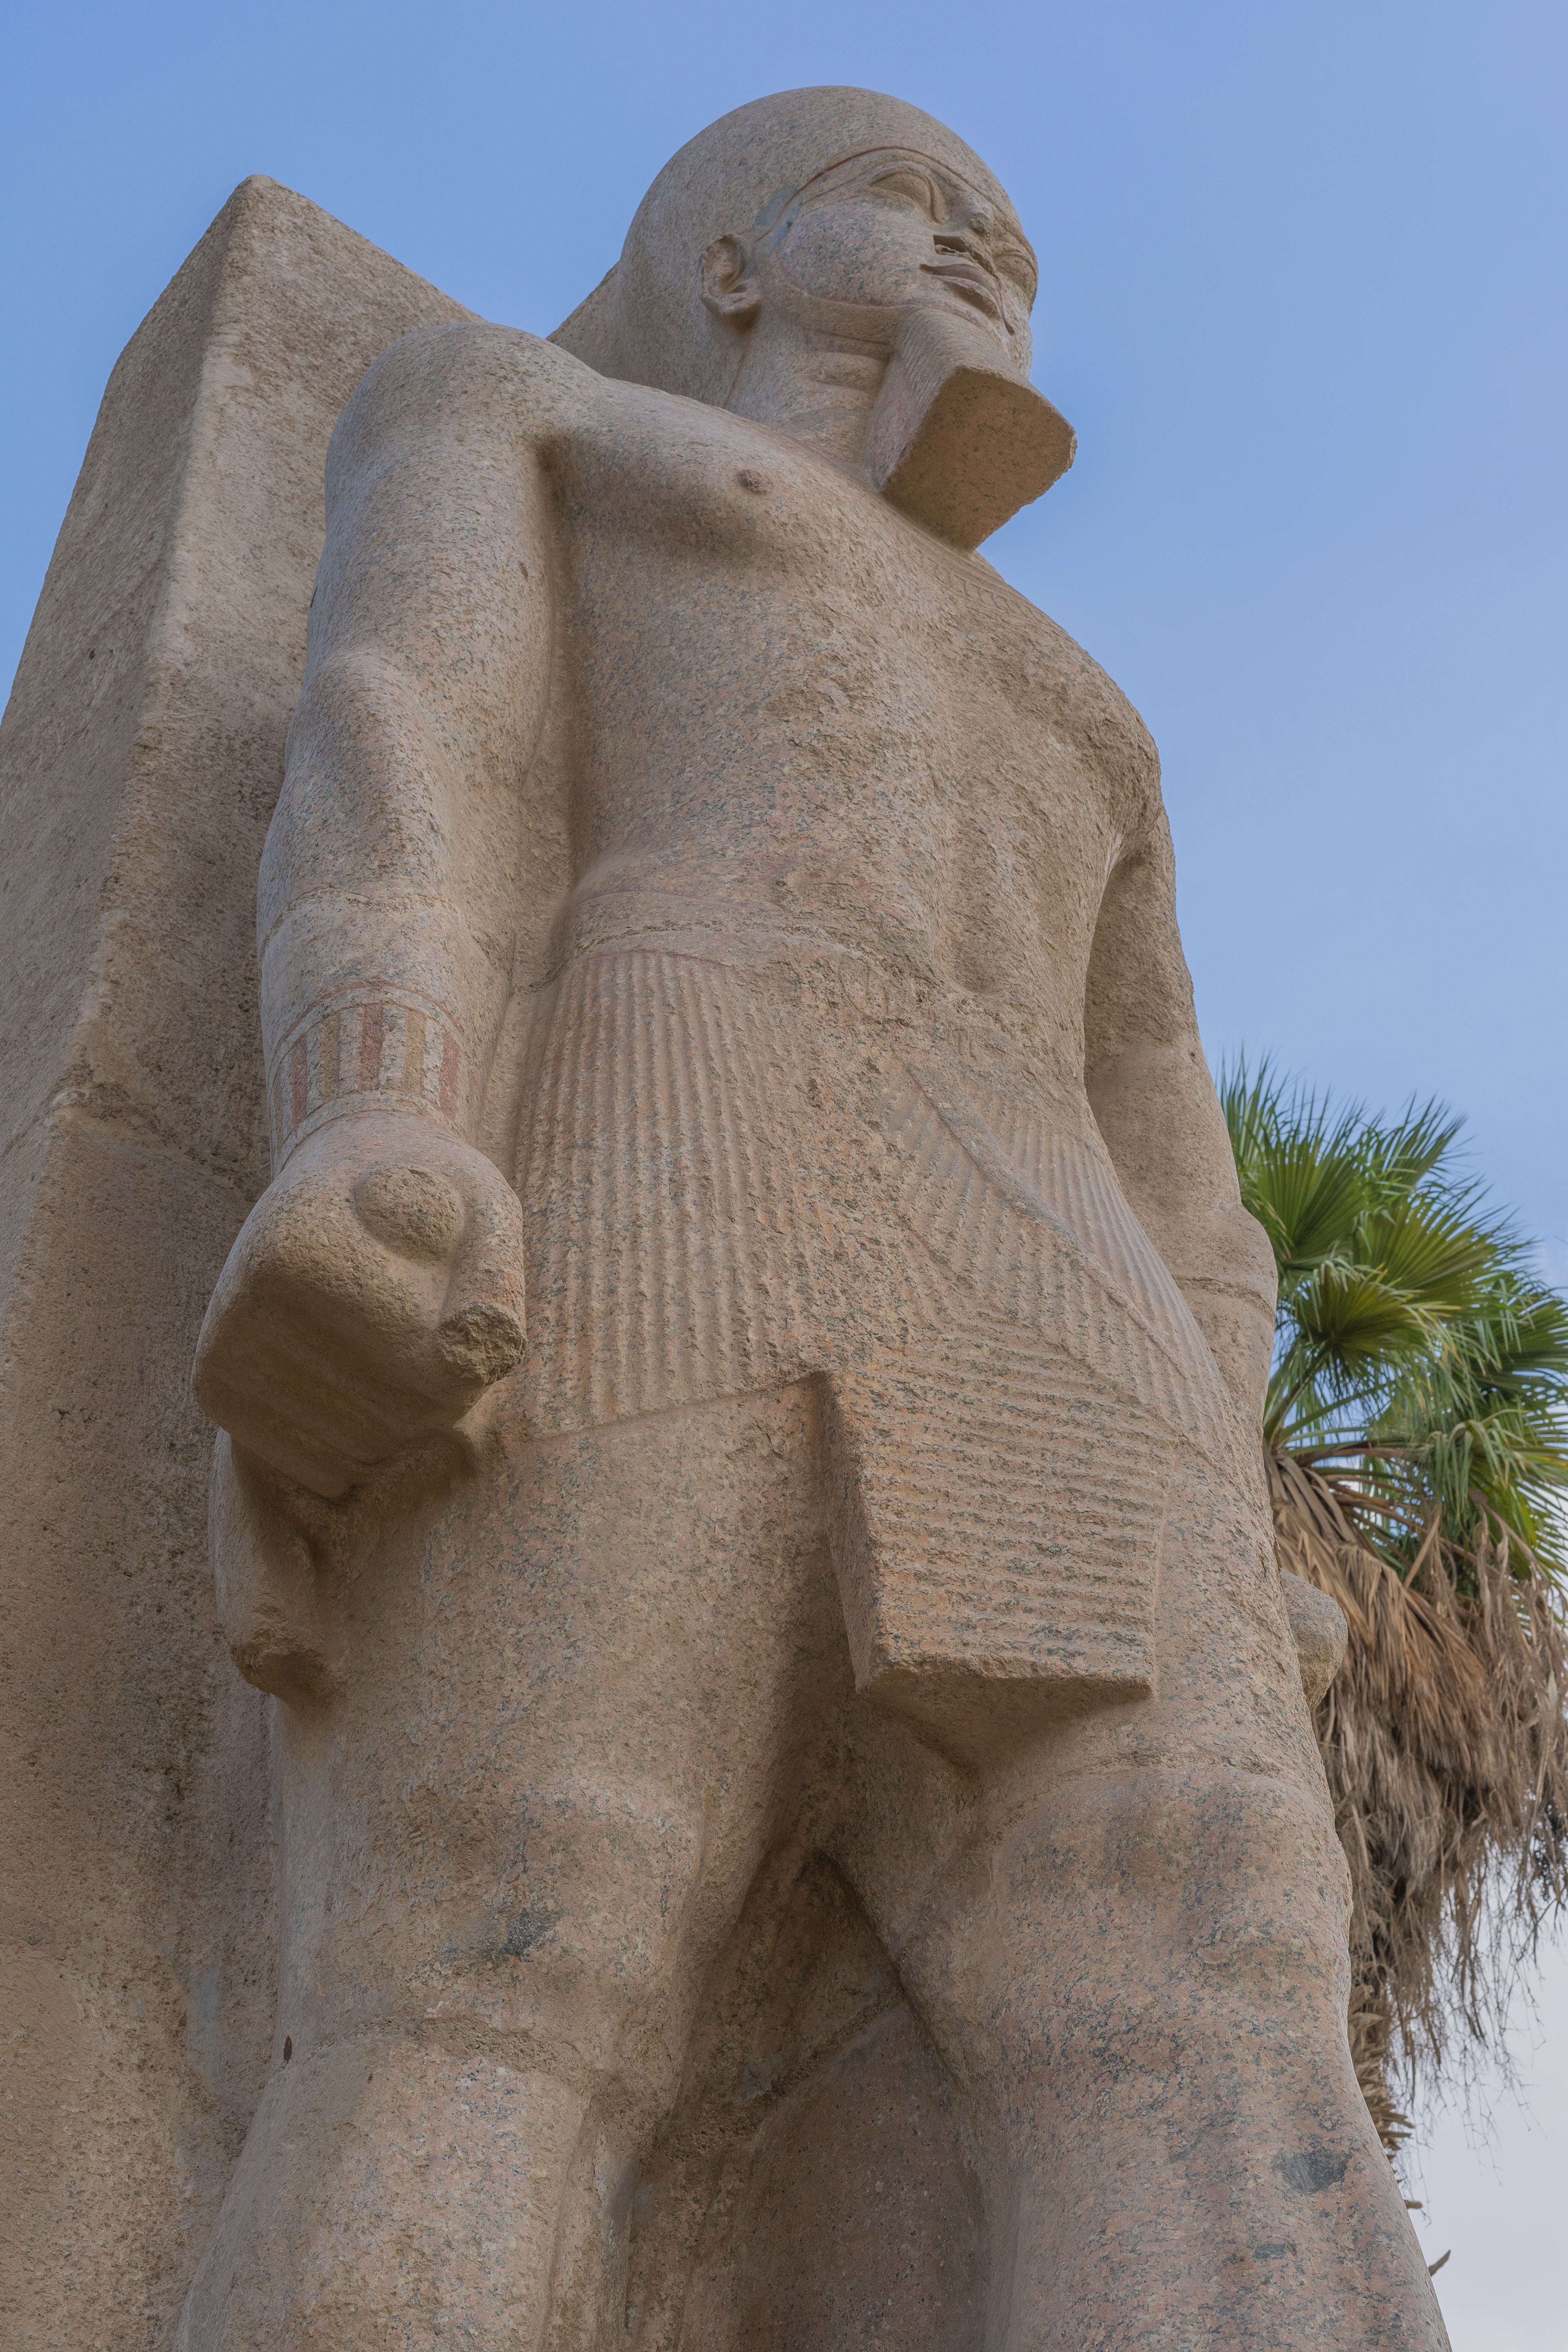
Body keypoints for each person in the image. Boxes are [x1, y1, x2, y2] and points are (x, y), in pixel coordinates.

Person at [181, 84, 1446, 2352]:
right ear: (731, 265)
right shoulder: (529, 413)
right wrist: (371, 1120)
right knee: (514, 1926)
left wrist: (1229, 1451)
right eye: (912, 198)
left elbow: (1172, 1142)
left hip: (1063, 1308)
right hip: (656, 1151)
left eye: (1016, 233)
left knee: (1208, 1984)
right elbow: (412, 752)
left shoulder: (1094, 709)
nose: (983, 243)